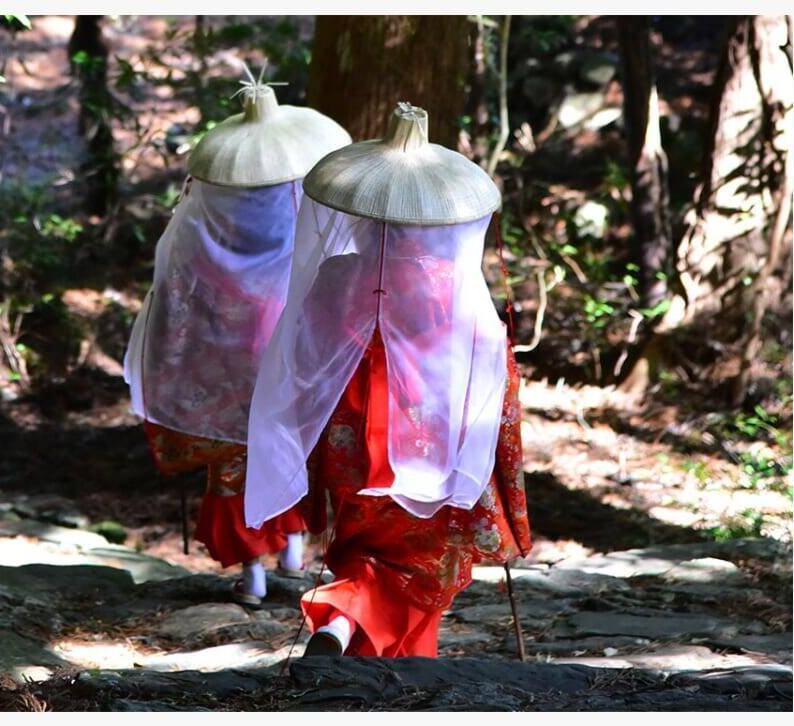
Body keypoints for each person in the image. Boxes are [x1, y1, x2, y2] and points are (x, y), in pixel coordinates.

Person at [243, 103, 531, 653]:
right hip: (433, 445)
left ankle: (345, 627)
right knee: (426, 560)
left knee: (362, 546)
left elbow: (304, 355)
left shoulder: (335, 275)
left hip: (348, 443)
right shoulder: (453, 286)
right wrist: (506, 471)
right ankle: (357, 629)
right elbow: (497, 380)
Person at [124, 73, 350, 605]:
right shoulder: (296, 197)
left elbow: (172, 293)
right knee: (289, 442)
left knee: (232, 462)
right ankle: (294, 541)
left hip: (220, 352)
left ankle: (253, 572)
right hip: (285, 335)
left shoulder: (206, 218)